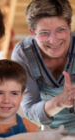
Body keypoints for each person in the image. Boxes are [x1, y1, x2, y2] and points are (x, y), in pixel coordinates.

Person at [11, 0, 75, 133]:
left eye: (61, 30)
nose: (54, 40)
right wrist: (59, 102)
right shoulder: (23, 55)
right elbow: (30, 111)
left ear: (70, 26)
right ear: (32, 32)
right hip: (50, 133)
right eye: (44, 33)